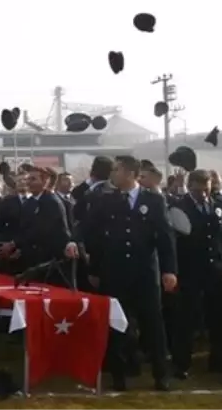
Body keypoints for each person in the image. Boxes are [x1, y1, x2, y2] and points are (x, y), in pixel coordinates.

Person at [66, 154, 175, 391]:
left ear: (129, 173)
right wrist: (74, 242)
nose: (113, 173)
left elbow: (165, 238)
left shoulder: (154, 200)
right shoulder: (106, 200)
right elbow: (87, 228)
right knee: (116, 326)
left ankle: (161, 374)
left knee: (153, 325)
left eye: (117, 169)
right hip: (114, 272)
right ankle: (119, 375)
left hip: (145, 273)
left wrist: (169, 270)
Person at [168, 169, 222, 379]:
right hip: (189, 272)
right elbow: (173, 242)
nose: (203, 194)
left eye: (207, 189)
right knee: (187, 320)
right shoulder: (178, 207)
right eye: (199, 190)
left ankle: (219, 360)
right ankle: (182, 363)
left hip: (216, 272)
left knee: (218, 318)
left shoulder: (219, 206)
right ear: (191, 186)